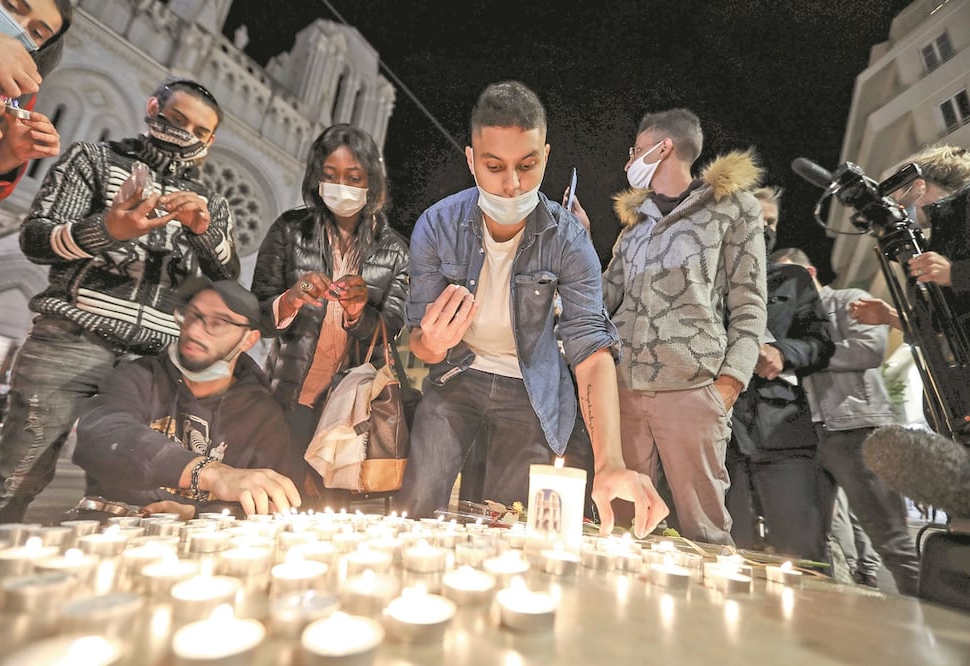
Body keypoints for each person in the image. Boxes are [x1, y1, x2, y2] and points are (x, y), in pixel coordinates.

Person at [397, 81, 667, 537]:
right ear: (470, 159)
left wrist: (611, 464)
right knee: (420, 510)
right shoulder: (437, 225)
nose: (512, 184)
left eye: (527, 165)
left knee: (510, 525)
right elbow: (412, 348)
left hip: (532, 389)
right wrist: (431, 342)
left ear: (545, 155)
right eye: (494, 166)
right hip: (453, 378)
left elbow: (590, 348)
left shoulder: (568, 239)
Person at [0, 76, 239, 529]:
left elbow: (227, 281)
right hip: (70, 342)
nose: (185, 135)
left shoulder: (211, 201)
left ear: (209, 142)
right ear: (153, 109)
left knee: (137, 494)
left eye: (198, 132)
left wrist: (205, 231)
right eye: (176, 120)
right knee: (16, 480)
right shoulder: (94, 158)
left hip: (150, 363)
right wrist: (108, 230)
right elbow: (37, 239)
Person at [570, 108, 767, 544]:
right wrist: (578, 246)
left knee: (706, 528)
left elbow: (750, 303)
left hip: (694, 390)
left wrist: (729, 382)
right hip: (623, 390)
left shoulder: (733, 208)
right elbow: (603, 299)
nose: (629, 162)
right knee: (621, 523)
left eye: (636, 151)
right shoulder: (634, 225)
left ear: (664, 148)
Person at [250, 123, 409, 505]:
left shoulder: (395, 251)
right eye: (331, 176)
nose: (342, 187)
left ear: (371, 182)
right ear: (316, 178)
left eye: (354, 178)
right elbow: (258, 315)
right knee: (280, 501)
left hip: (350, 410)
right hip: (291, 397)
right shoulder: (291, 231)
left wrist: (359, 312)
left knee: (332, 514)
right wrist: (291, 298)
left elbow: (392, 329)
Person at [73, 279, 298, 519]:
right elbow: (101, 435)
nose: (193, 331)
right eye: (193, 316)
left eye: (218, 323)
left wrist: (194, 513)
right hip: (114, 530)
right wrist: (212, 474)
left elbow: (267, 502)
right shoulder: (139, 377)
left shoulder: (262, 415)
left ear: (248, 340)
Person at [773, 246, 921, 594]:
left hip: (859, 430)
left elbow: (868, 350)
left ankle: (939, 619)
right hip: (810, 434)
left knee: (891, 539)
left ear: (808, 274)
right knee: (809, 540)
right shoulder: (791, 320)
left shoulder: (849, 300)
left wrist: (802, 353)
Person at [724, 187, 834, 561]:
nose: (765, 229)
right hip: (722, 437)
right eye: (758, 220)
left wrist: (783, 354)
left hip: (783, 432)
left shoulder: (794, 280)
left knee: (802, 552)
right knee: (725, 551)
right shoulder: (705, 279)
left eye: (772, 222)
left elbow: (821, 342)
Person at [850, 145, 970, 329]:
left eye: (900, 203)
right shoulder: (937, 243)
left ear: (918, 186)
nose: (901, 211)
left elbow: (955, 275)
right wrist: (889, 316)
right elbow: (939, 324)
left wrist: (955, 273)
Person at [0, 0, 72, 208]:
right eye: (11, 6)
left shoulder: (10, 95)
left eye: (36, 33)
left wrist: (3, 158)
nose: (18, 27)